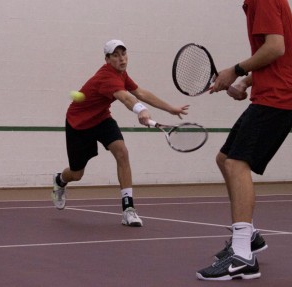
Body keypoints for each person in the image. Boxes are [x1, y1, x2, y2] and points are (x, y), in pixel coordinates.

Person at [196, 0, 292, 280]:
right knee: (225, 158)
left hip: (282, 97)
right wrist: (244, 84)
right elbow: (271, 53)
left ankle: (242, 255)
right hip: (270, 93)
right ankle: (251, 238)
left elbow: (276, 47)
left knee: (236, 162)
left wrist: (237, 70)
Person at [52, 39, 189, 227]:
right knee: (76, 174)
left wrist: (170, 108)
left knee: (122, 152)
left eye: (123, 54)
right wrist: (141, 110)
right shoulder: (107, 77)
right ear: (107, 59)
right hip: (79, 124)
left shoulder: (121, 73)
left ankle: (128, 209)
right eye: (115, 55)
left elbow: (140, 92)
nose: (121, 59)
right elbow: (126, 97)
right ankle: (60, 180)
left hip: (101, 118)